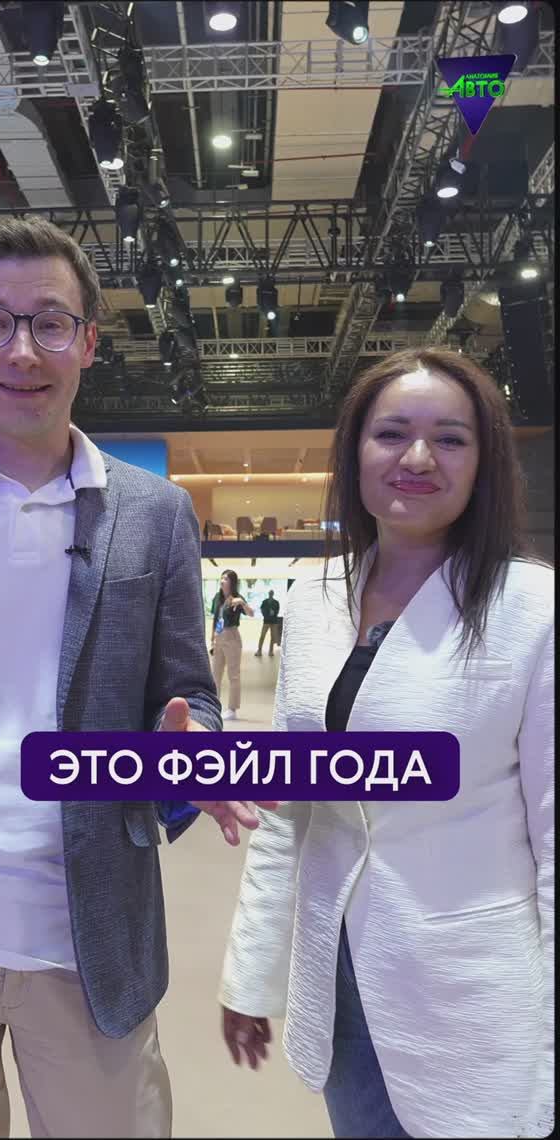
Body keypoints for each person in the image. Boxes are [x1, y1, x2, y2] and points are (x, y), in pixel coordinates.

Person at [0, 215, 278, 1140]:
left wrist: (190, 752)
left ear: (87, 341)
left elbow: (191, 692)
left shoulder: (154, 513)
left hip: (90, 940)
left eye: (49, 322)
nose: (22, 351)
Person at [218, 347, 554, 1139]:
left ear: (484, 462)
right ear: (355, 451)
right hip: (341, 987)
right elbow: (288, 809)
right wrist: (251, 975)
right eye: (392, 433)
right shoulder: (314, 597)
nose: (418, 458)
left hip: (476, 997)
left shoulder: (532, 609)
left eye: (451, 438)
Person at [210, 569, 254, 721]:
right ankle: (214, 706)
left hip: (232, 636)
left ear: (232, 582)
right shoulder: (217, 597)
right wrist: (212, 639)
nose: (222, 581)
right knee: (215, 675)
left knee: (233, 675)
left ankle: (232, 709)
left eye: (226, 579)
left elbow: (251, 613)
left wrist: (242, 603)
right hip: (218, 636)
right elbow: (216, 618)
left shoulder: (237, 598)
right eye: (222, 578)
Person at [255, 589, 280, 657]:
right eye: (270, 593)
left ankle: (271, 651)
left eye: (272, 593)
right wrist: (266, 614)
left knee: (273, 637)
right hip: (266, 621)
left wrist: (274, 613)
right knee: (262, 636)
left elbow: (277, 611)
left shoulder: (276, 602)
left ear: (273, 594)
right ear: (268, 594)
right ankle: (259, 651)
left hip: (274, 621)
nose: (271, 594)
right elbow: (261, 609)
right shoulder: (265, 601)